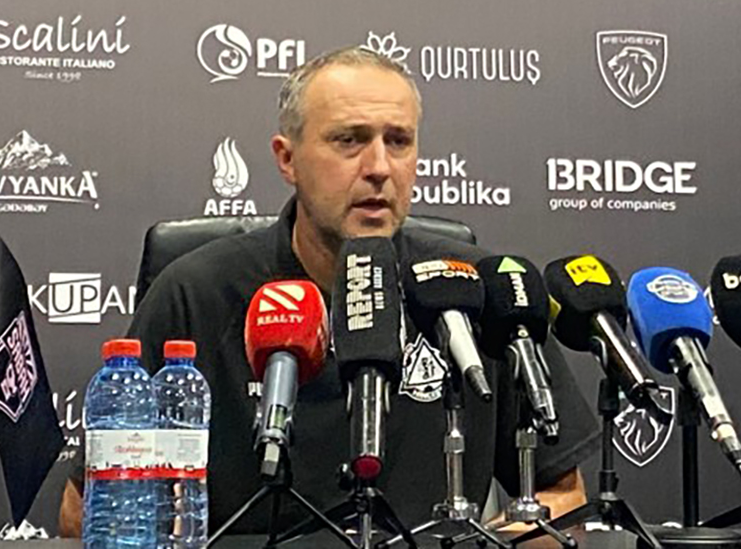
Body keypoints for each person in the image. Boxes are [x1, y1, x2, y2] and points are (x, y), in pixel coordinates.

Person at [60, 46, 600, 537]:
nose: (379, 168)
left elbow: (561, 497)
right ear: (287, 158)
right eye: (349, 141)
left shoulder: (479, 290)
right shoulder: (197, 293)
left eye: (398, 141)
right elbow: (86, 509)